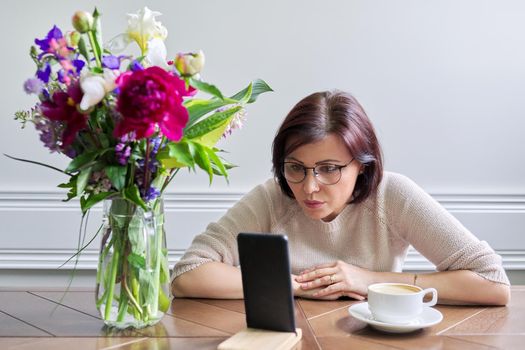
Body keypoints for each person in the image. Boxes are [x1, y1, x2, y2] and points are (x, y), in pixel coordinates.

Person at [171, 90, 510, 305]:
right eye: (295, 168)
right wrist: (298, 285)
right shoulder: (274, 196)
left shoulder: (392, 195)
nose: (309, 187)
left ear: (361, 166)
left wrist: (369, 280)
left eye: (329, 168)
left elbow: (492, 282)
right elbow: (189, 273)